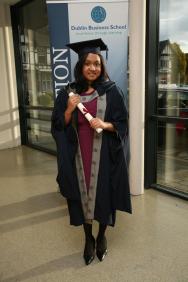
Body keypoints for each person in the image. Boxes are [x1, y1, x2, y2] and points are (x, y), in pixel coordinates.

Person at [51, 38, 132, 265]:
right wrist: (68, 109)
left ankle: (102, 235)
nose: (93, 68)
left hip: (104, 154)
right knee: (81, 196)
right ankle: (88, 238)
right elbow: (58, 124)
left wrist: (104, 125)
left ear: (102, 66)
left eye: (97, 63)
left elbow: (122, 124)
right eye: (88, 63)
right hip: (78, 154)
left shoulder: (112, 91)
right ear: (80, 66)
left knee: (103, 195)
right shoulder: (68, 92)